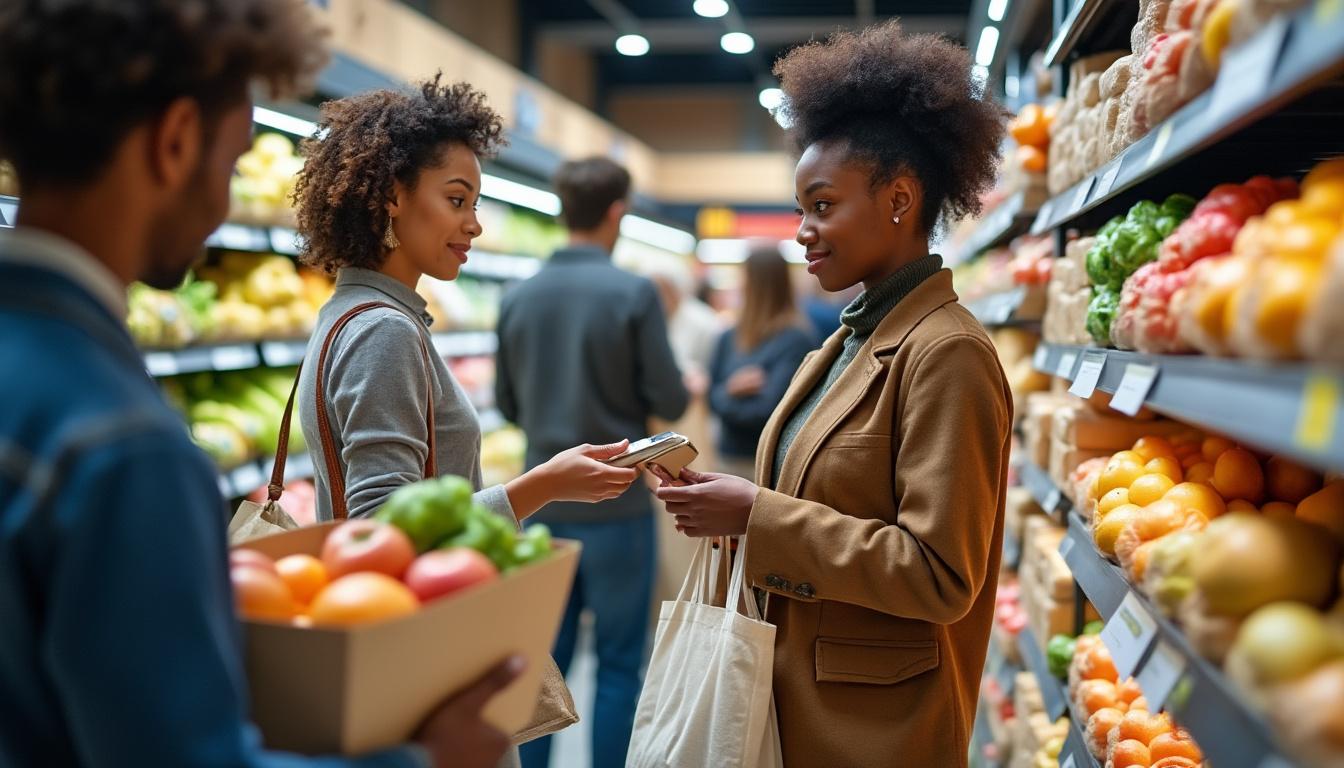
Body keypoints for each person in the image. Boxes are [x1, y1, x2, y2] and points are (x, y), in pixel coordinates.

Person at [0, 3, 522, 767]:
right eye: (234, 158)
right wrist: (422, 760)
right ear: (177, 140)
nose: (224, 200)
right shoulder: (124, 448)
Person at [649, 21, 1012, 767]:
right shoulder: (848, 341)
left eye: (822, 206)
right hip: (803, 699)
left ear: (899, 199)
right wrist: (738, 507)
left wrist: (758, 513)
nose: (804, 233)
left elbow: (942, 576)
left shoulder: (947, 353)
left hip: (875, 726)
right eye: (801, 210)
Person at [292, 78, 638, 529]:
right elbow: (380, 525)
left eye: (474, 205)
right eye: (457, 200)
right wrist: (543, 486)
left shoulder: (345, 312)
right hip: (416, 598)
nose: (474, 226)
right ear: (392, 196)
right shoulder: (383, 330)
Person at [495, 157, 689, 768]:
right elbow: (669, 398)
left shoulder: (516, 295)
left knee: (537, 665)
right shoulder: (633, 293)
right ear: (617, 211)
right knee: (618, 664)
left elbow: (506, 402)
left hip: (541, 507)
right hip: (618, 504)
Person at [707, 242, 817, 478]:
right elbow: (711, 396)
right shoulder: (729, 336)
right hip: (728, 457)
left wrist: (724, 397)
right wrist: (730, 391)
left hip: (769, 464)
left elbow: (769, 411)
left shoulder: (795, 340)